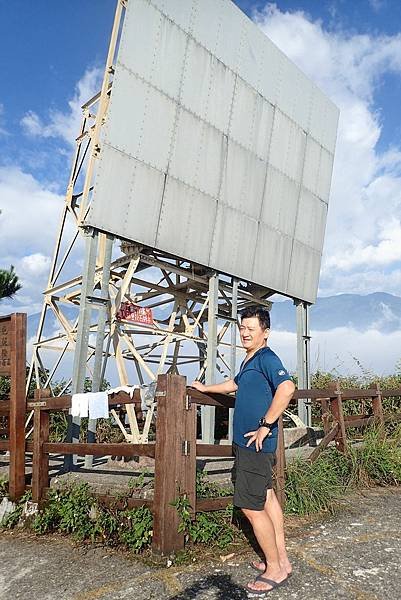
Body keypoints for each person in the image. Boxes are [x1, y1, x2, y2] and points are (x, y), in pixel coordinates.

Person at [192, 306, 295, 594]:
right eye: (242, 327)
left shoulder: (267, 358)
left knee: (251, 507)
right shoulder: (250, 360)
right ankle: (281, 560)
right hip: (251, 445)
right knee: (267, 499)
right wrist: (205, 388)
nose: (245, 332)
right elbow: (233, 384)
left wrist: (265, 424)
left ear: (266, 332)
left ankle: (274, 569)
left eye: (251, 328)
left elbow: (287, 388)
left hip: (255, 443)